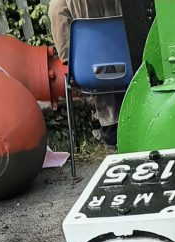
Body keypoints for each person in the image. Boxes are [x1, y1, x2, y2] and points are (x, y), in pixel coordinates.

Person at [48, 0, 124, 146]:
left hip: (90, 72)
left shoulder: (59, 5)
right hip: (131, 61)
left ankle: (111, 127)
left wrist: (72, 63)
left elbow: (68, 58)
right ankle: (113, 127)